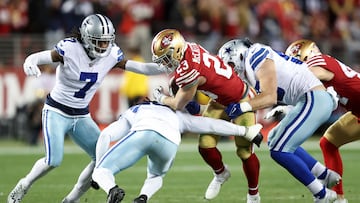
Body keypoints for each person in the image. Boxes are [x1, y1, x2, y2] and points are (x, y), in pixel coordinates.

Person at [7, 14, 165, 203]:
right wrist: (30, 61)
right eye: (100, 42)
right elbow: (40, 57)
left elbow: (141, 68)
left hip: (81, 115)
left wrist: (165, 67)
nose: (104, 47)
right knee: (53, 160)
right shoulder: (70, 48)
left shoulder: (112, 54)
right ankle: (24, 185)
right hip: (57, 111)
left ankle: (70, 200)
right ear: (87, 38)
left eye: (107, 42)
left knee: (101, 158)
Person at [217, 38, 340, 202]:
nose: (231, 70)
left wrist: (242, 108)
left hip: (313, 98)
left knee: (280, 151)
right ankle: (325, 175)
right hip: (308, 99)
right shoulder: (251, 66)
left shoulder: (255, 54)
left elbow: (269, 97)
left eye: (230, 65)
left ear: (238, 54)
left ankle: (322, 195)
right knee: (274, 139)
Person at [151, 29, 262, 203]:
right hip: (218, 101)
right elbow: (191, 83)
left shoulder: (189, 70)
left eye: (166, 58)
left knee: (244, 151)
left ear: (178, 51)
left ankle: (253, 195)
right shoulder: (191, 47)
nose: (165, 64)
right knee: (205, 145)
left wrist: (160, 97)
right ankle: (221, 173)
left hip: (241, 99)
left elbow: (177, 104)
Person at [92, 98, 264, 203]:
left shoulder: (136, 109)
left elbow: (105, 136)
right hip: (170, 141)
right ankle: (143, 198)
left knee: (101, 171)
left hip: (143, 131)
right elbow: (211, 124)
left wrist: (98, 175)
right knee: (156, 175)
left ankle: (112, 189)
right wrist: (245, 131)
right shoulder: (178, 115)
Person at [285, 39, 360, 203]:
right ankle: (339, 198)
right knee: (328, 143)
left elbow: (313, 76)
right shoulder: (319, 64)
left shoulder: (318, 61)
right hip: (358, 113)